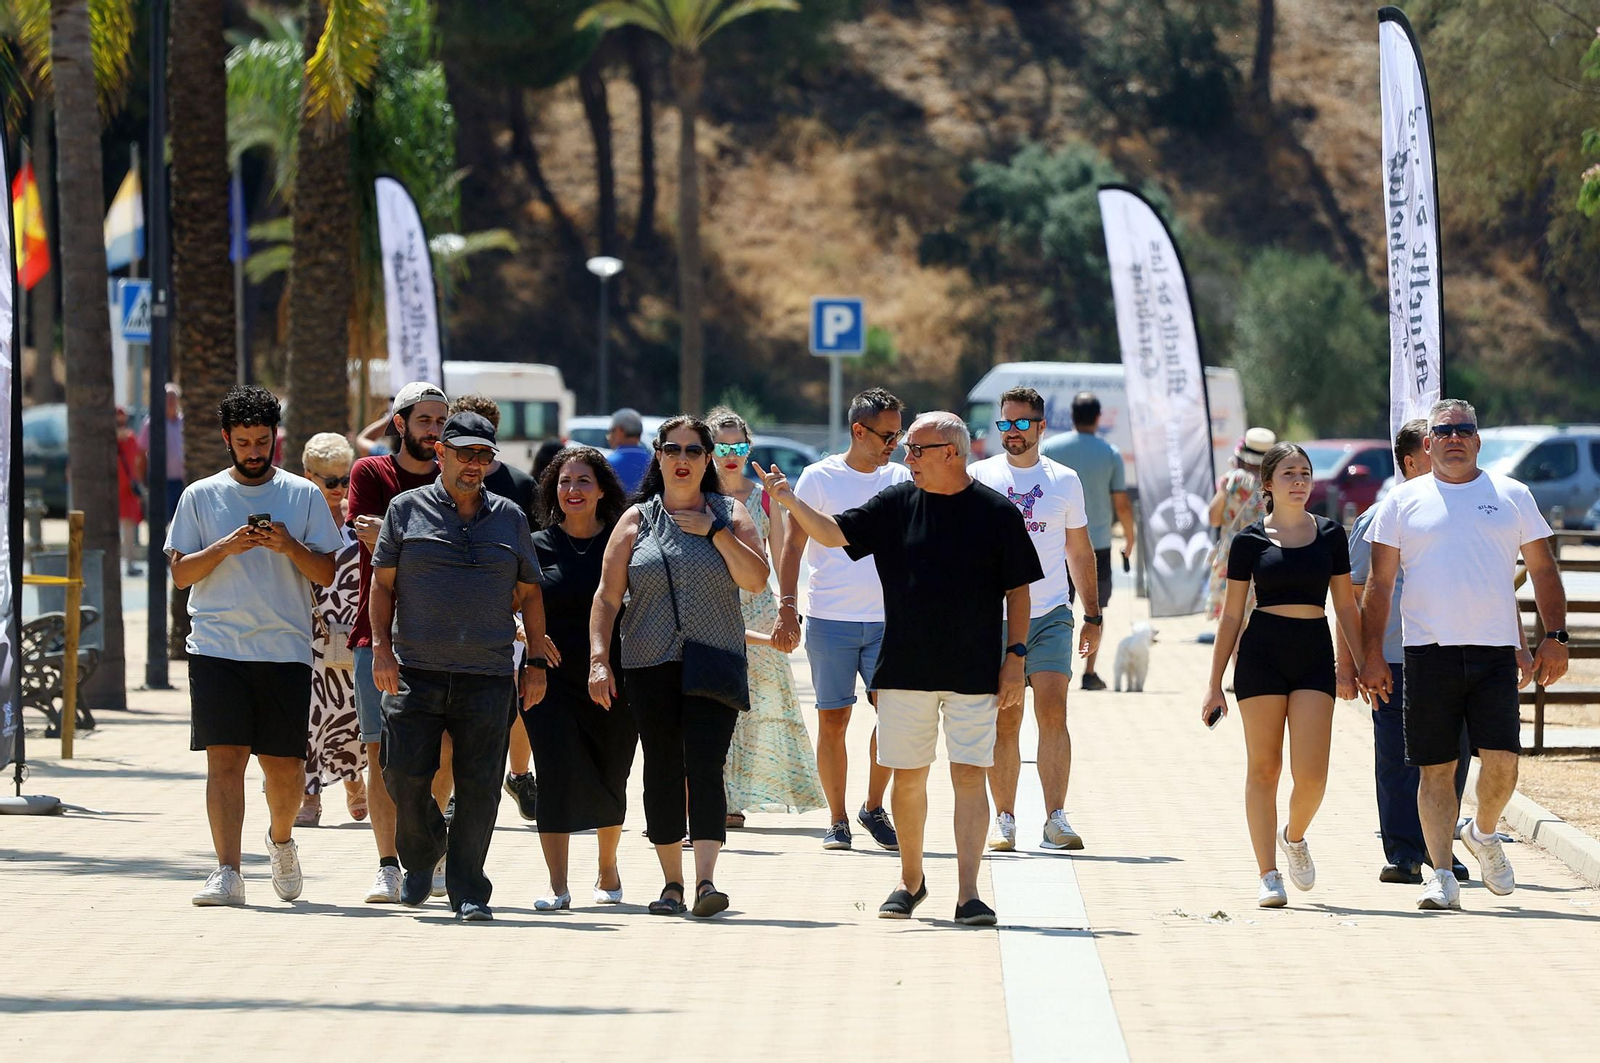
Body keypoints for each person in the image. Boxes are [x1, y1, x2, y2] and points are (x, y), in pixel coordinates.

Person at [757, 412, 1042, 926]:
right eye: (906, 447)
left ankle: (969, 894)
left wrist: (1014, 659)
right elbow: (831, 534)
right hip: (904, 668)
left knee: (968, 779)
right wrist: (789, 501)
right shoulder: (895, 503)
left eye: (915, 449)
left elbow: (1018, 590)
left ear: (950, 453)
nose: (904, 457)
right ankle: (911, 881)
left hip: (975, 671)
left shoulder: (996, 513)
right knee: (907, 781)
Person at [1360, 399, 1568, 911]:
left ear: (1477, 441)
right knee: (1435, 768)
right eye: (1444, 431)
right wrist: (1370, 656)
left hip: (1495, 651)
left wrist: (1555, 637)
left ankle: (1482, 831)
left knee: (1502, 764)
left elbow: (1542, 570)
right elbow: (1379, 585)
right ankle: (1440, 875)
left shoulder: (1512, 496)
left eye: (1464, 430)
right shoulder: (1402, 502)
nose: (1454, 438)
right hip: (1427, 654)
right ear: (1426, 444)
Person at [168, 385, 343, 907]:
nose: (252, 451)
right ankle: (227, 870)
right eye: (242, 441)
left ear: (276, 441)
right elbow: (180, 575)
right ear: (226, 439)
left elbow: (327, 573)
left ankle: (282, 841)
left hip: (284, 648)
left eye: (261, 441)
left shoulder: (303, 495)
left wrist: (288, 545)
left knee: (283, 768)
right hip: (216, 647)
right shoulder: (200, 495)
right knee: (224, 762)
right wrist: (226, 546)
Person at [589, 416, 770, 918]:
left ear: (708, 457)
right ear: (659, 456)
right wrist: (599, 659)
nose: (683, 459)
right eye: (673, 450)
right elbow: (607, 597)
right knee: (663, 768)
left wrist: (716, 533)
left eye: (694, 450)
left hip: (713, 660)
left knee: (706, 768)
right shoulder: (636, 520)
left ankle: (706, 882)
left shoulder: (729, 513)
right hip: (648, 663)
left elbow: (756, 580)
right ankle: (671, 883)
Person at [370, 411, 547, 922]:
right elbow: (382, 587)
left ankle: (468, 889)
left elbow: (531, 594)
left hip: (488, 675)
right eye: (464, 453)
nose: (473, 464)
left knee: (479, 787)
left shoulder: (511, 517)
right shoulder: (405, 510)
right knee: (400, 773)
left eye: (483, 456)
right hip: (414, 670)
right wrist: (381, 649)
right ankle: (424, 853)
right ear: (440, 453)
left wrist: (534, 661)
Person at [1200, 442, 1365, 909]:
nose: (1299, 481)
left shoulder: (1333, 535)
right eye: (1289, 473)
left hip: (1314, 655)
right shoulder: (1248, 541)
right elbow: (1231, 617)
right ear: (1267, 483)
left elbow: (1346, 606)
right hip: (1262, 655)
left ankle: (1293, 837)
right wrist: (1214, 683)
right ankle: (1268, 874)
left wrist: (1363, 661)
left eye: (1305, 473)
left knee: (1312, 777)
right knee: (1264, 767)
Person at [772, 388, 907, 851]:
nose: (894, 443)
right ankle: (837, 818)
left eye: (898, 434)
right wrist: (787, 607)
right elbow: (793, 547)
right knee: (834, 719)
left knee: (895, 717)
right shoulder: (818, 478)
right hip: (831, 618)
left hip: (890, 620)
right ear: (858, 430)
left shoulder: (902, 478)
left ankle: (873, 806)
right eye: (887, 435)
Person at [1336, 420, 1470, 885]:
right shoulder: (1378, 518)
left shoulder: (1460, 511)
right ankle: (1405, 854)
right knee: (1398, 758)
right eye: (1432, 449)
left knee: (1453, 755)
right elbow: (1350, 597)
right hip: (1392, 657)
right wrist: (1349, 664)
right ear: (1412, 461)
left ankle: (1441, 852)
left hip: (1451, 654)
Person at [970, 387, 1102, 853]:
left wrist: (1094, 614)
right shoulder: (979, 475)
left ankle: (1055, 819)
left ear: (1042, 427)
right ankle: (1004, 820)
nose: (1012, 433)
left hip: (1050, 613)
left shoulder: (1064, 481)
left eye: (1022, 424)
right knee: (1005, 721)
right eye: (1005, 424)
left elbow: (1079, 551)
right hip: (996, 617)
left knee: (1053, 713)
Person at [345, 380, 449, 903]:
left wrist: (392, 534)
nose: (434, 431)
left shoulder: (456, 478)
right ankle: (388, 865)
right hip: (378, 637)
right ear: (399, 423)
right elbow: (366, 533)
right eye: (425, 420)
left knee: (445, 754)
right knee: (381, 755)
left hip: (449, 637)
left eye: (440, 422)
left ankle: (436, 854)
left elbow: (388, 538)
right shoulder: (369, 472)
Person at [525, 447, 638, 909]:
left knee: (611, 770)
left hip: (615, 674)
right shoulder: (535, 544)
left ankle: (607, 871)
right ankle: (557, 885)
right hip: (546, 678)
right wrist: (522, 632)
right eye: (565, 481)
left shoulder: (625, 540)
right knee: (553, 774)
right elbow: (506, 601)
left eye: (583, 481)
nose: (573, 490)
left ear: (602, 490)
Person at [706, 407, 826, 825]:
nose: (731, 453)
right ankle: (716, 794)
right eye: (722, 445)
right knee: (713, 699)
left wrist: (787, 609)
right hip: (712, 607)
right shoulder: (699, 498)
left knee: (753, 705)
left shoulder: (761, 497)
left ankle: (735, 797)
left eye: (739, 444)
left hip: (757, 610)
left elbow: (781, 558)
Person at [449, 393, 540, 821]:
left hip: (512, 612)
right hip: (452, 616)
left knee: (518, 699)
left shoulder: (521, 486)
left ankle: (519, 774)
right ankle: (452, 793)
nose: (474, 455)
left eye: (482, 441)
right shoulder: (438, 489)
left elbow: (535, 554)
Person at [1040, 392, 1136, 690]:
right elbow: (1120, 502)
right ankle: (1089, 671)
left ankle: (1055, 669)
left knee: (1056, 606)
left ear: (1072, 416)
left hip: (1056, 541)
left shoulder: (1050, 448)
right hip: (1098, 544)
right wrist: (1130, 538)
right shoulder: (1109, 452)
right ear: (1097, 418)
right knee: (1094, 610)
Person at [296, 433, 368, 829]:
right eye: (330, 481)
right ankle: (310, 796)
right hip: (306, 634)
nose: (339, 489)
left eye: (345, 479)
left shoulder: (361, 523)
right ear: (308, 475)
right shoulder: (295, 521)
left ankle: (354, 778)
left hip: (351, 632)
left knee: (351, 713)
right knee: (308, 717)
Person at [1206, 428, 1276, 622]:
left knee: (1232, 620)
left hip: (1232, 552)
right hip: (1267, 554)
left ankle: (1237, 654)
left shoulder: (1232, 480)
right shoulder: (1276, 483)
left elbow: (1213, 518)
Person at [138, 382, 186, 522]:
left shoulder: (184, 422)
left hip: (182, 482)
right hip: (160, 482)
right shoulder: (151, 424)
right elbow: (141, 453)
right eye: (167, 398)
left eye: (173, 398)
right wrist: (144, 480)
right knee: (160, 521)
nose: (170, 402)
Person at [115, 406, 145, 576]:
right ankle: (126, 563)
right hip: (115, 489)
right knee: (124, 530)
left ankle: (129, 563)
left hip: (127, 490)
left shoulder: (130, 439)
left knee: (128, 529)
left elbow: (136, 463)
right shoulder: (110, 441)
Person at [605, 408, 653, 495]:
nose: (608, 437)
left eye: (611, 431)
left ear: (620, 431)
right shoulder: (653, 463)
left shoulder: (607, 464)